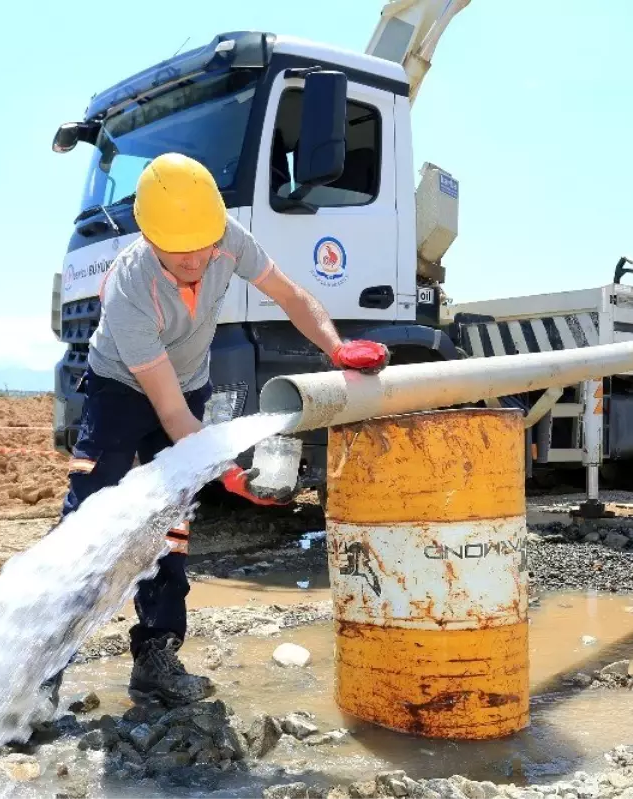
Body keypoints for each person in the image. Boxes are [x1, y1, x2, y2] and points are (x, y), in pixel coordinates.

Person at [60, 152, 389, 707]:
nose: (195, 259)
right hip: (122, 391)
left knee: (173, 523)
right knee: (85, 522)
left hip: (187, 385)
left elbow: (289, 294)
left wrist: (336, 347)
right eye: (178, 249)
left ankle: (157, 654)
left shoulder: (224, 236)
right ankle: (41, 673)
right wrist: (230, 473)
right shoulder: (130, 291)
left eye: (204, 246)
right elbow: (171, 417)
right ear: (148, 234)